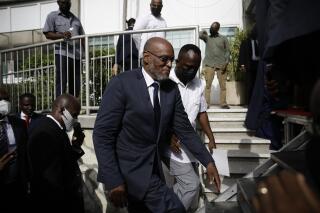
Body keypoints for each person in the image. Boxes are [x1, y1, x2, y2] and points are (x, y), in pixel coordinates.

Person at [93, 37, 221, 213]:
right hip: (128, 172)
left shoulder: (170, 89)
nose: (169, 64)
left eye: (171, 60)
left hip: (153, 170)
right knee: (174, 208)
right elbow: (102, 135)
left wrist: (208, 161)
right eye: (164, 59)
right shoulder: (122, 84)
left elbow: (184, 128)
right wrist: (113, 179)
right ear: (146, 57)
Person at [164, 44, 217, 211]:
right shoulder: (166, 81)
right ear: (177, 62)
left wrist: (210, 136)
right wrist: (167, 135)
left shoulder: (199, 84)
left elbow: (201, 112)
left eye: (195, 67)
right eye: (188, 67)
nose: (192, 71)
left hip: (191, 144)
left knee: (190, 196)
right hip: (171, 147)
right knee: (189, 186)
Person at [28, 94, 85, 213]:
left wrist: (75, 146)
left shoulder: (55, 127)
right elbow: (50, 176)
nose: (75, 119)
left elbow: (61, 160)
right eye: (74, 115)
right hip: (56, 203)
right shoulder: (45, 131)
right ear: (61, 110)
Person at [43, 0, 85, 98]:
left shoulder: (76, 19)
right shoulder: (52, 16)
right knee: (62, 80)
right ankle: (59, 106)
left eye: (67, 2)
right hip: (62, 53)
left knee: (75, 82)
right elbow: (47, 33)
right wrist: (62, 35)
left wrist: (86, 53)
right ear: (58, 3)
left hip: (77, 55)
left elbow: (82, 37)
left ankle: (73, 105)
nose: (65, 4)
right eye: (63, 2)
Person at [0, 87, 29, 213]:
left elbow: (26, 153)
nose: (4, 102)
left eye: (6, 99)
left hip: (17, 186)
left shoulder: (19, 123)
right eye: (0, 99)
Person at [200, 22, 230, 109]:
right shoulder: (207, 38)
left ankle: (223, 103)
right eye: (210, 28)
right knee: (208, 85)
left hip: (222, 64)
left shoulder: (224, 38)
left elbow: (227, 51)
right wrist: (203, 31)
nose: (211, 30)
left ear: (217, 29)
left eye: (213, 28)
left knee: (223, 86)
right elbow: (200, 35)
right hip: (209, 64)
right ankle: (206, 104)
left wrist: (226, 62)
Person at [238, 26, 260, 105]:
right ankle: (250, 103)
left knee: (259, 84)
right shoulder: (245, 42)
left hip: (259, 65)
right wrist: (242, 65)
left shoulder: (260, 41)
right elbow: (242, 54)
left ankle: (258, 102)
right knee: (250, 85)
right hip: (249, 66)